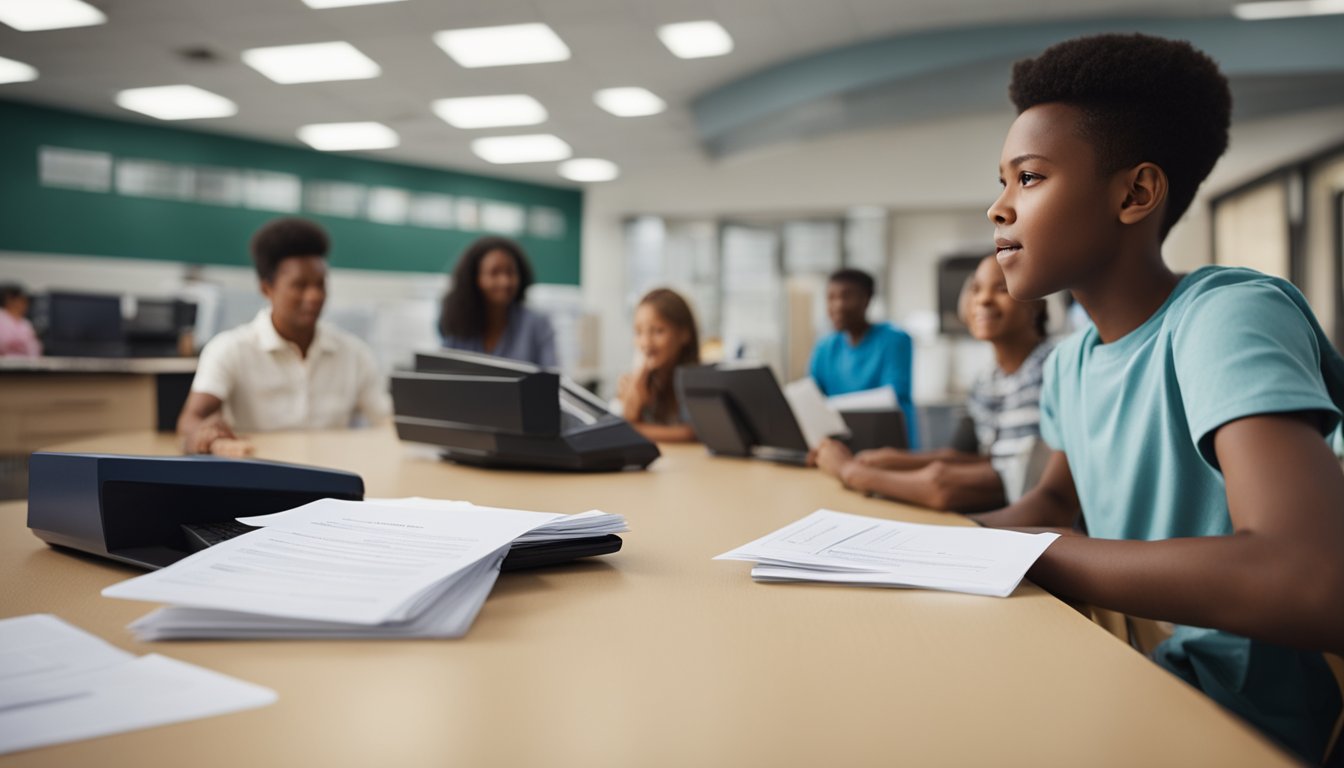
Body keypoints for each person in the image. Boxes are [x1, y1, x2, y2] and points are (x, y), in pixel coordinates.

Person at [972, 33, 1344, 762]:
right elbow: (1051, 506)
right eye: (1003, 182)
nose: (999, 208)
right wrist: (943, 547)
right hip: (1141, 680)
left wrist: (1037, 553)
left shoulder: (1226, 316)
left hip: (1255, 727)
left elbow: (1310, 576)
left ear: (1135, 193)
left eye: (1030, 178)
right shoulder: (1073, 360)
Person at [814, 254, 1051, 511]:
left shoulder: (1044, 371)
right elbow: (975, 459)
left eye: (1001, 288)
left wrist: (849, 470)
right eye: (975, 289)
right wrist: (891, 461)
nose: (982, 299)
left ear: (1035, 302)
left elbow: (1003, 481)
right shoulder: (988, 379)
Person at [177, 218, 392, 457]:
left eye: (320, 285)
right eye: (300, 286)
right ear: (267, 288)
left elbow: (385, 420)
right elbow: (191, 419)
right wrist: (207, 437)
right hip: (260, 476)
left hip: (334, 479)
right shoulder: (230, 349)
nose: (314, 296)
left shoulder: (354, 353)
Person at [808, 268, 919, 447]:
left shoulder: (894, 340)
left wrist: (829, 406)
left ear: (867, 299)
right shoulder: (825, 347)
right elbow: (812, 398)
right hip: (841, 444)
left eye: (846, 296)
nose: (837, 305)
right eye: (831, 298)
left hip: (887, 447)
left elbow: (892, 398)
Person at [439, 236, 557, 367]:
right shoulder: (457, 322)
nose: (504, 281)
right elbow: (445, 374)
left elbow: (552, 378)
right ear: (474, 278)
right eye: (494, 273)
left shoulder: (537, 324)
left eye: (510, 272)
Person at [616, 288, 700, 443]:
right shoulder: (637, 379)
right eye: (639, 332)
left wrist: (633, 429)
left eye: (658, 331)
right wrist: (638, 379)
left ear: (684, 334)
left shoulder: (694, 380)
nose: (646, 343)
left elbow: (691, 433)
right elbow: (628, 418)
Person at [0, 283, 42, 357]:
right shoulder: (2, 317)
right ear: (9, 299)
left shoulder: (26, 323)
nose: (25, 304)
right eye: (21, 300)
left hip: (25, 366)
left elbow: (35, 348)